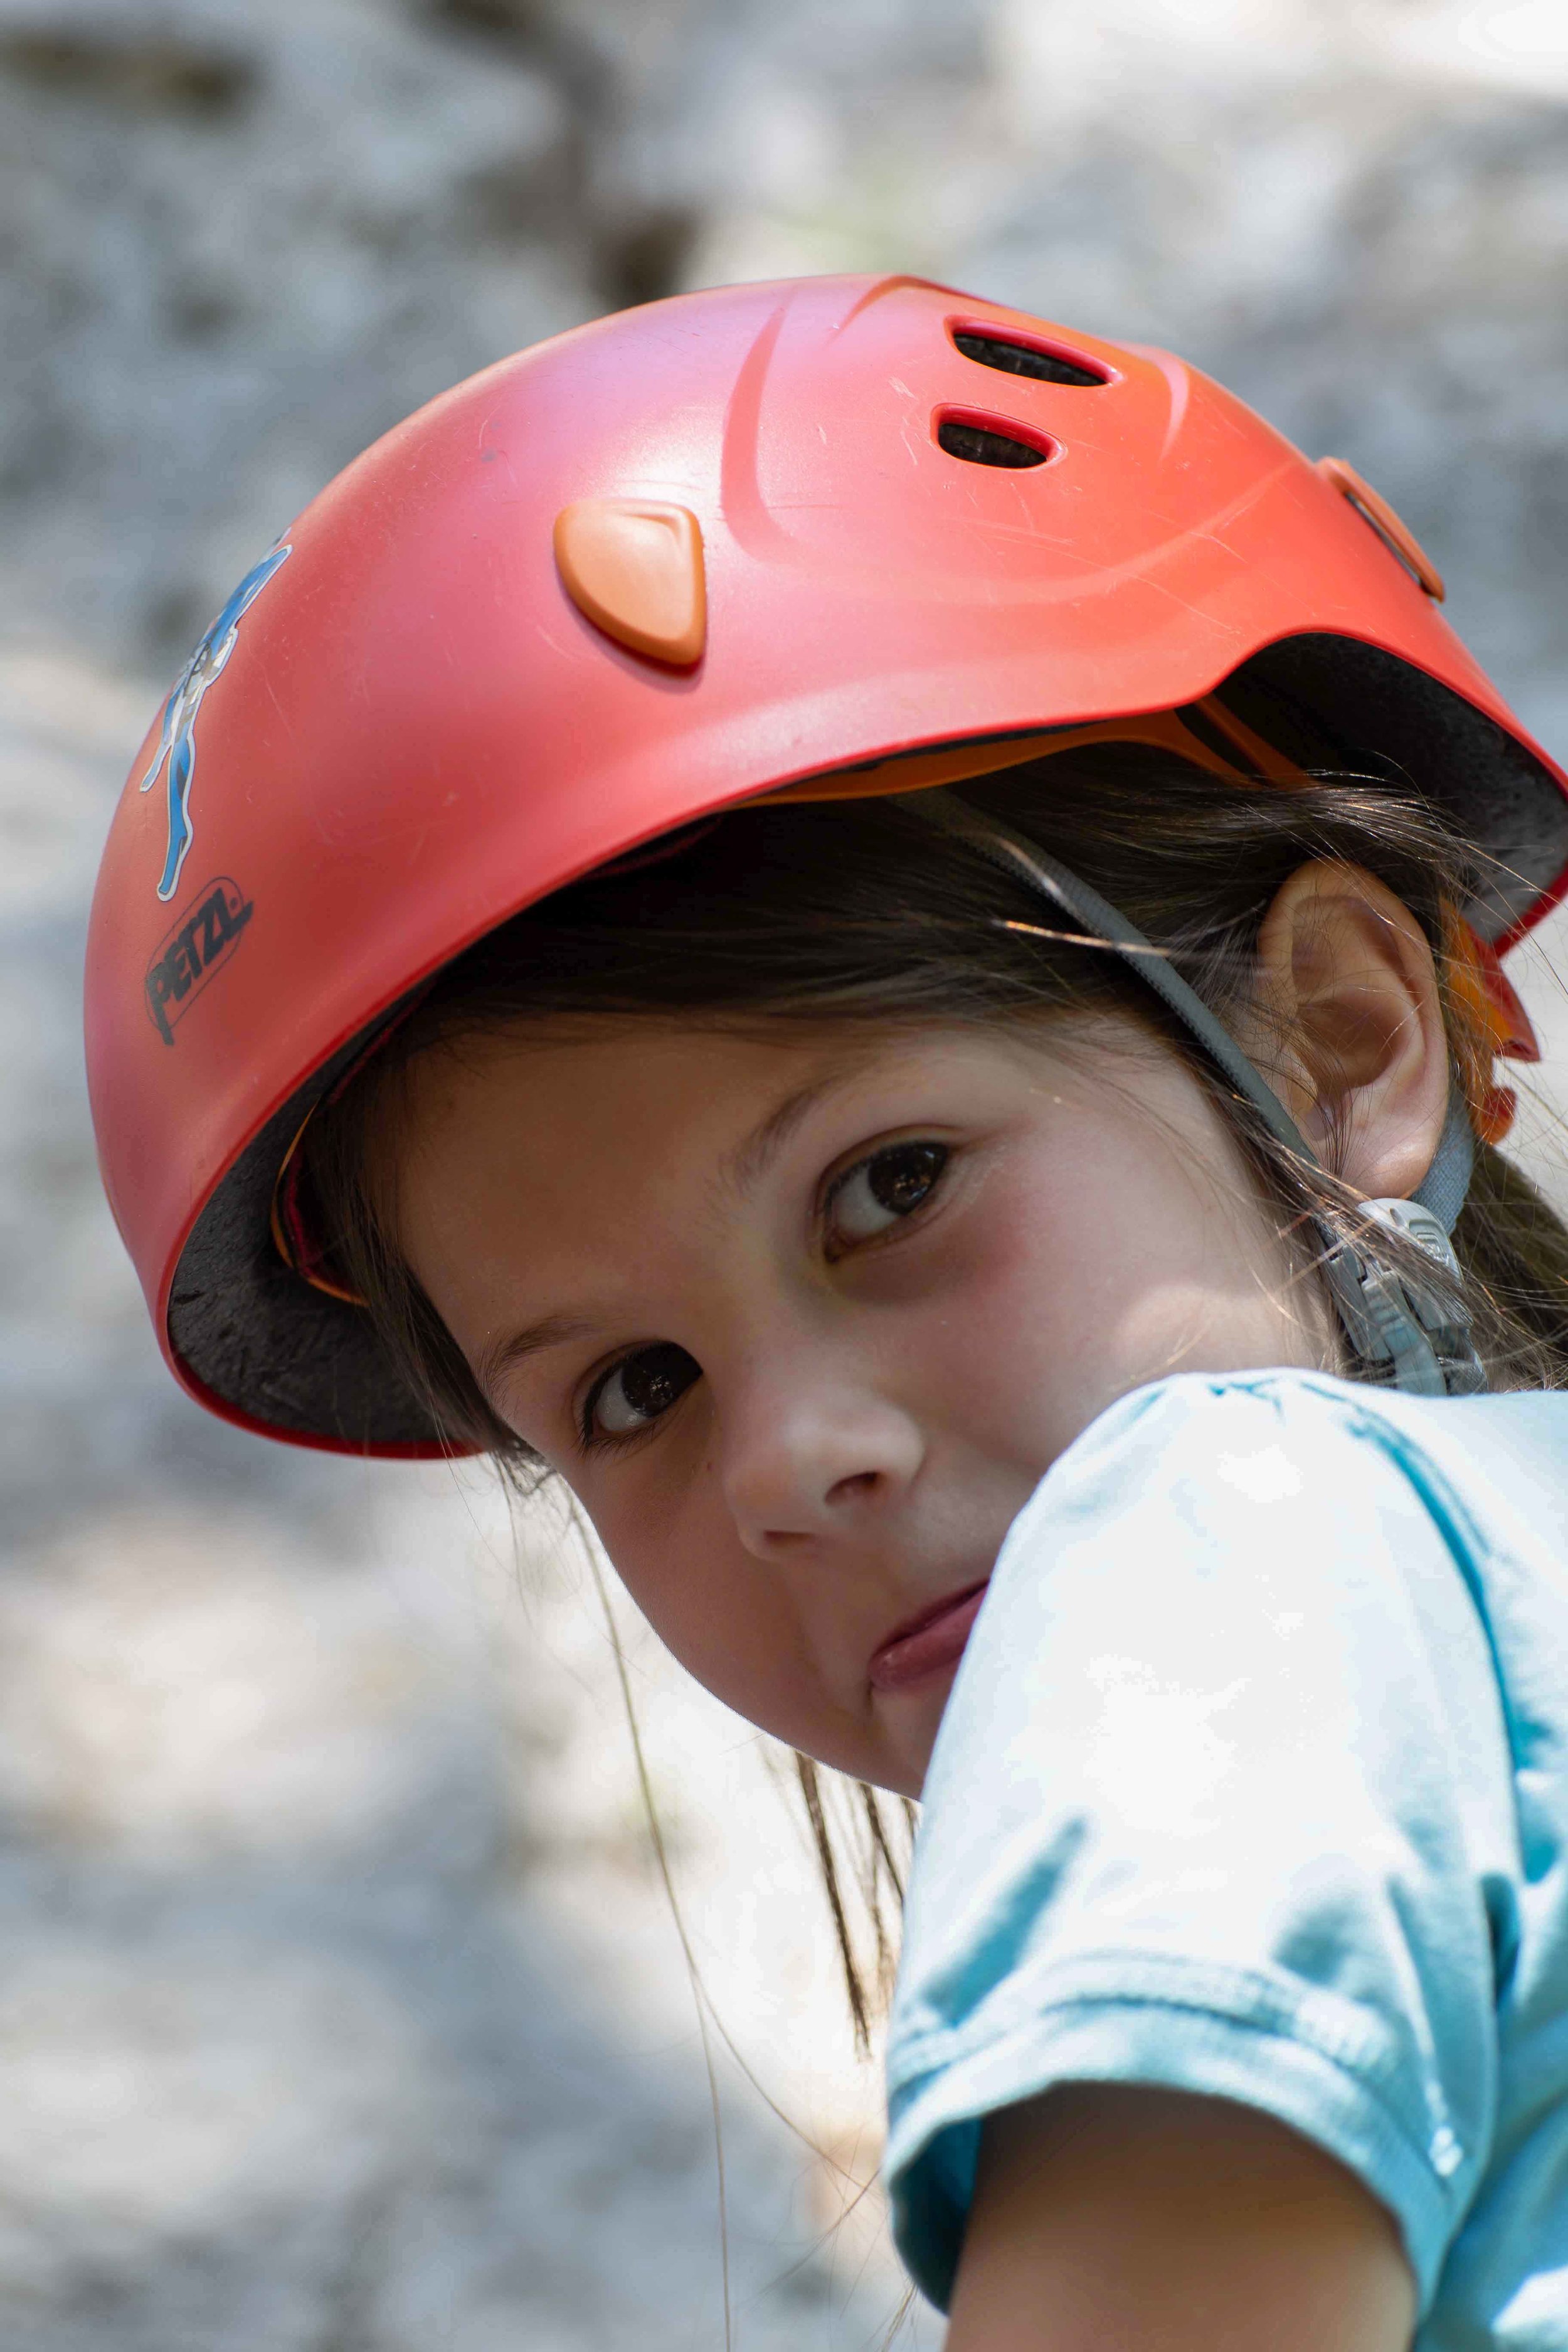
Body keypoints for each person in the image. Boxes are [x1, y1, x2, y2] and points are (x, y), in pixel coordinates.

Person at [86, 274, 1568, 2349]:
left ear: (1335, 1038)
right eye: (632, 1387)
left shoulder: (1224, 1555)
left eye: (887, 1189)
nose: (791, 1457)